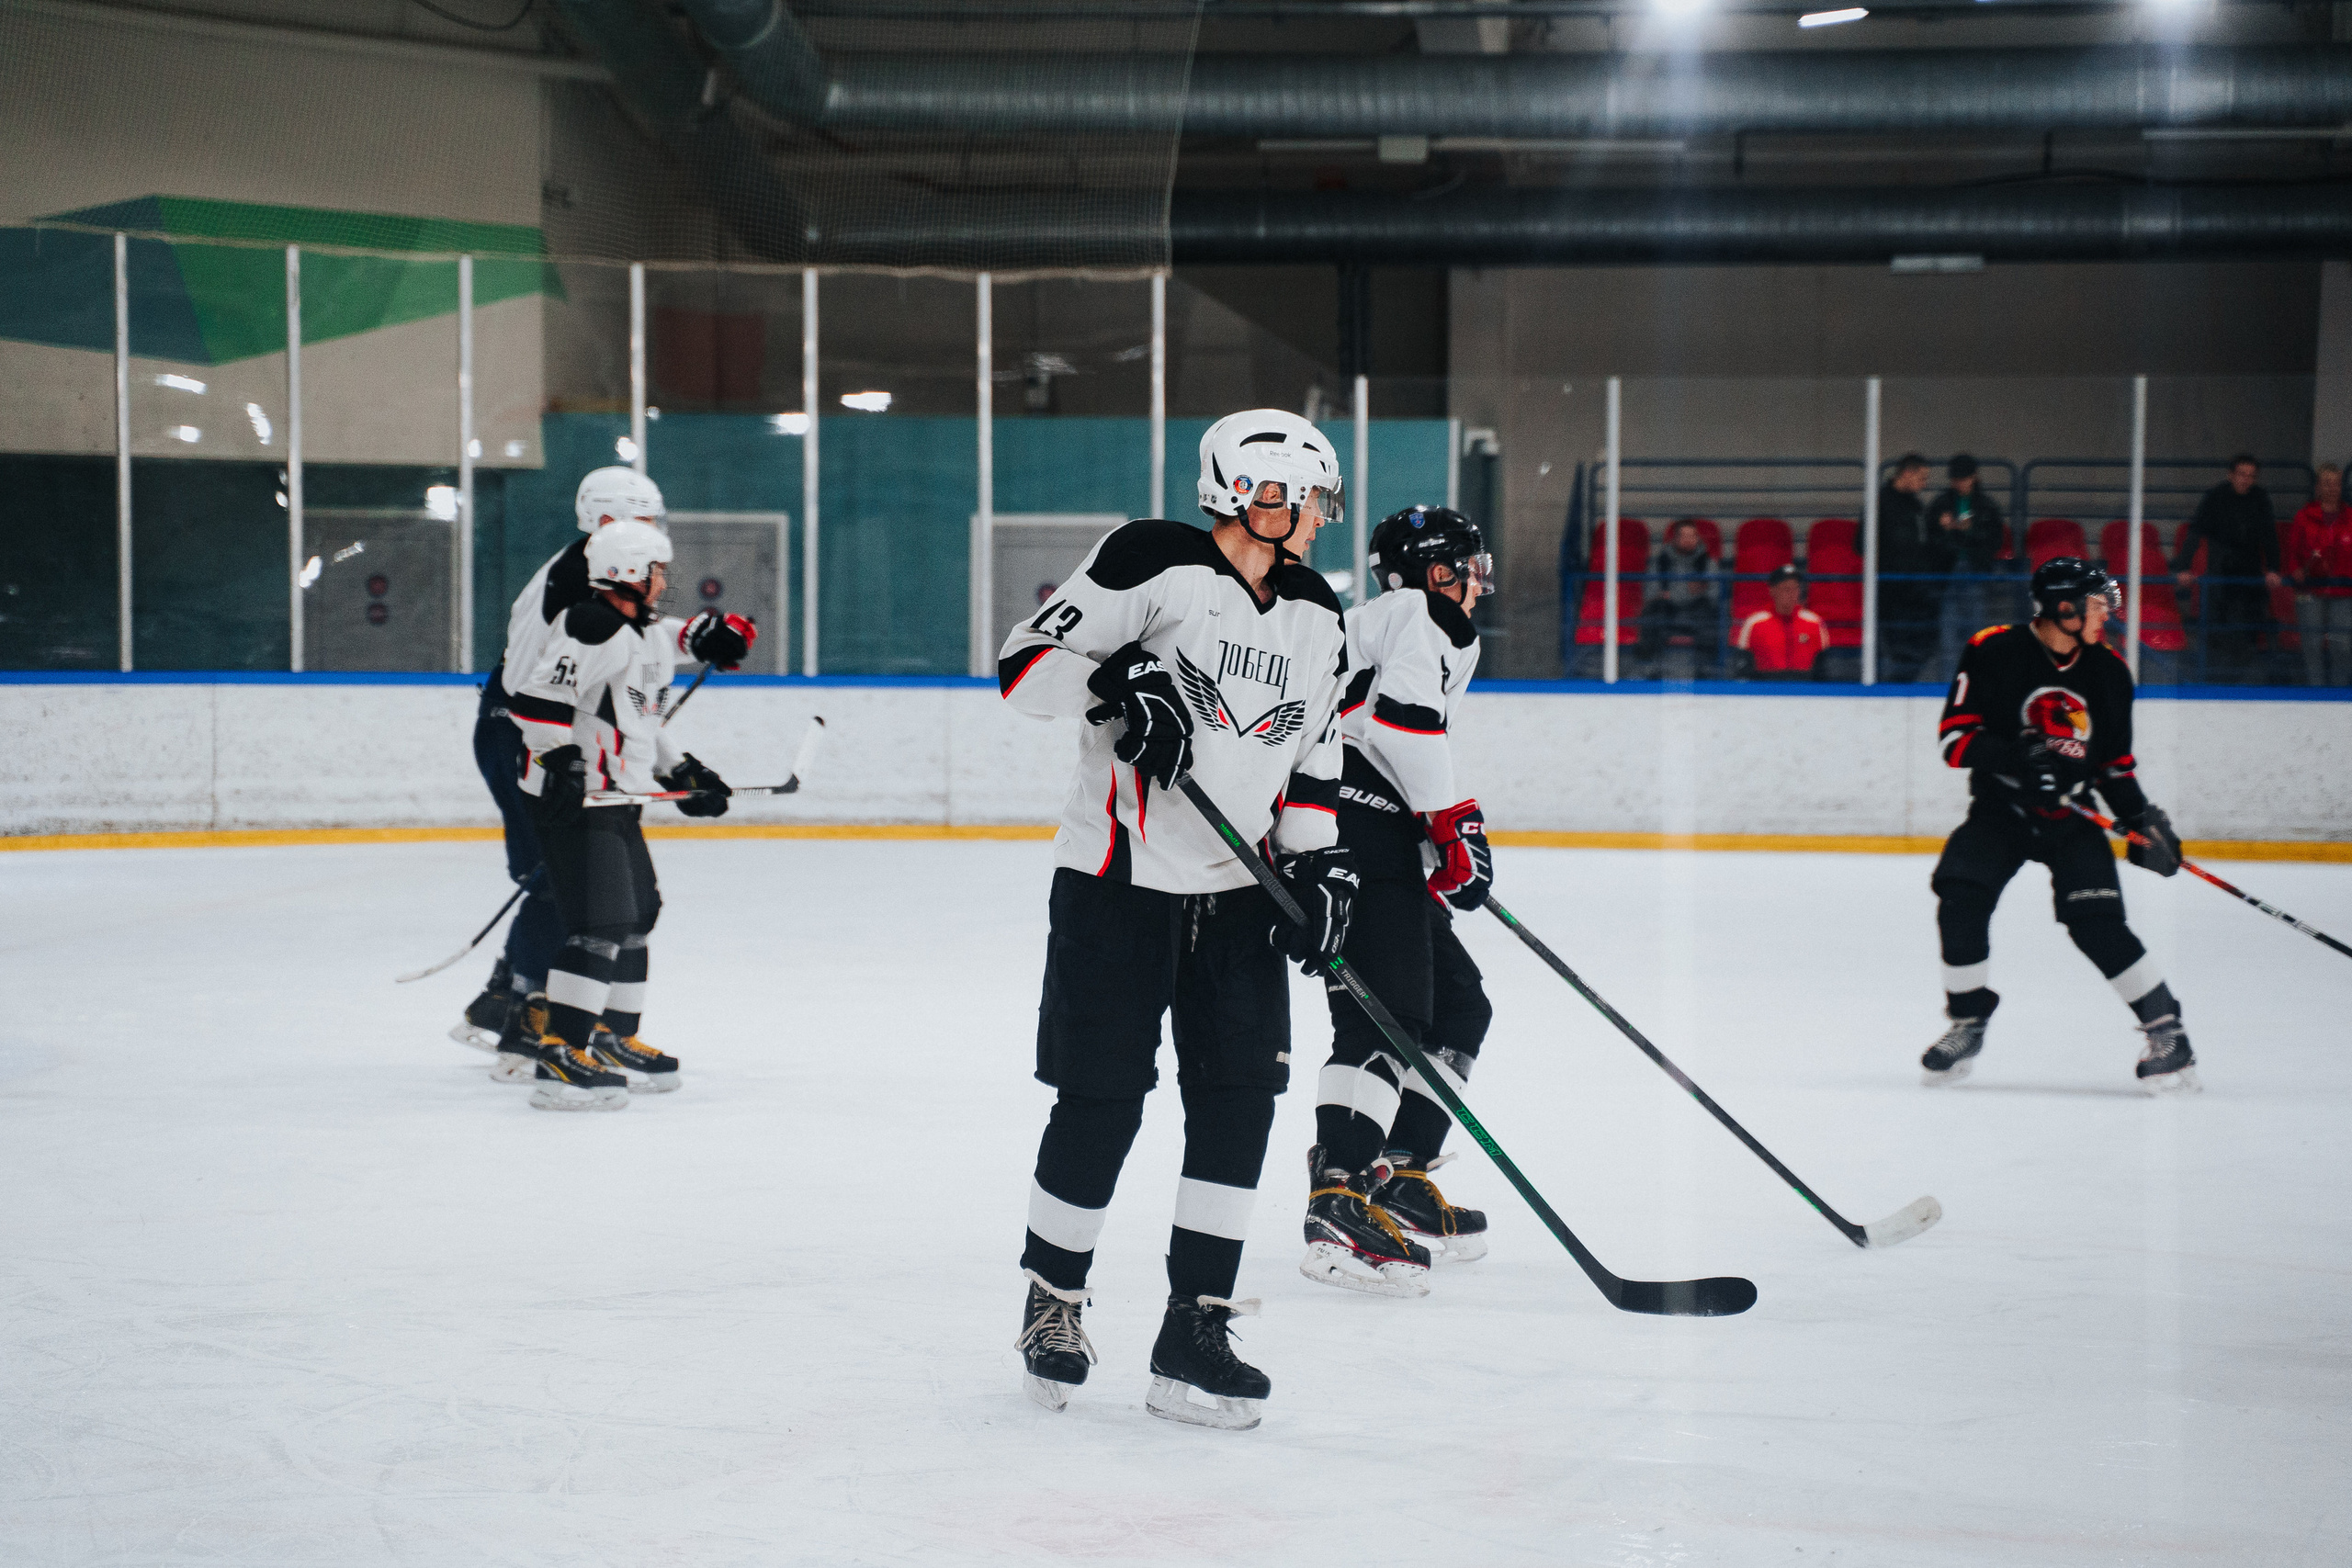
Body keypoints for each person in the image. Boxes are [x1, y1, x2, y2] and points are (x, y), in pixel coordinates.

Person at [998, 409, 1352, 1431]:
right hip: (1117, 883)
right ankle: (1052, 1302)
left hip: (1238, 900)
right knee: (1100, 1101)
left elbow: (1312, 761)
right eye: (1308, 498)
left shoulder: (1318, 614)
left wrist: (1319, 871)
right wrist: (1124, 679)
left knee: (1239, 1105)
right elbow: (1026, 675)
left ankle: (1194, 1328)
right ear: (1256, 493)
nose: (1320, 517)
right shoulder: (1153, 558)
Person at [460, 468, 753, 1085]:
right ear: (605, 530)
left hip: (567, 737)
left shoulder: (607, 583)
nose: (651, 540)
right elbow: (542, 695)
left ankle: (570, 1020)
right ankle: (524, 1015)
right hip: (521, 728)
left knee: (626, 903)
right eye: (638, 526)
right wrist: (561, 757)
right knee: (568, 886)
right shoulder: (579, 591)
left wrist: (676, 758)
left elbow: (629, 689)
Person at [1305, 505, 1496, 1301]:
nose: (1476, 581)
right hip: (1346, 826)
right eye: (1462, 567)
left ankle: (1398, 1173)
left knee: (1458, 1008)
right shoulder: (1414, 611)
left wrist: (1437, 836)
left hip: (1382, 827)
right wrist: (1454, 824)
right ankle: (1337, 1196)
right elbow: (1401, 727)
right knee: (1384, 1016)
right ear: (1426, 572)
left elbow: (1399, 740)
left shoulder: (1435, 625)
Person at [1920, 557, 2196, 1094]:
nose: (2106, 614)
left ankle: (2168, 1031)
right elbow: (1954, 741)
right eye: (2096, 604)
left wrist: (2138, 820)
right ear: (2063, 606)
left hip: (2071, 816)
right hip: (2001, 811)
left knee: (2096, 922)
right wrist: (2020, 759)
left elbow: (2115, 764)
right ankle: (1967, 1021)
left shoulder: (2109, 672)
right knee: (1960, 895)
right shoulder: (1993, 650)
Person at [2170, 455, 2282, 682]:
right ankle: (2215, 685)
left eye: (2251, 476)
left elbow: (2269, 536)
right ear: (2230, 475)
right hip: (2219, 576)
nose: (2246, 480)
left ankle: (2238, 686)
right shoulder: (2215, 497)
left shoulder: (2260, 499)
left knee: (2246, 634)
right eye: (2242, 475)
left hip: (2249, 578)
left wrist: (2273, 568)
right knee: (2217, 634)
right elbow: (2196, 532)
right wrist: (2183, 567)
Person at [1924, 454, 2007, 684]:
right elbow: (1930, 540)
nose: (1959, 484)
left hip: (1975, 572)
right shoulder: (1940, 504)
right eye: (1955, 479)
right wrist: (1948, 531)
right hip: (1947, 573)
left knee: (1976, 631)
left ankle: (1975, 684)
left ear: (1974, 478)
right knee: (1948, 632)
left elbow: (1995, 541)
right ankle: (1949, 685)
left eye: (1963, 478)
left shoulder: (1987, 507)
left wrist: (1967, 531)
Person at [1870, 455, 1939, 683]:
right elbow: (1863, 543)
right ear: (1907, 473)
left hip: (1917, 590)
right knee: (1898, 648)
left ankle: (1902, 685)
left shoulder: (1916, 505)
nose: (1924, 483)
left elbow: (1923, 543)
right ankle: (1894, 689)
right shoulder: (1880, 502)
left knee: (1928, 642)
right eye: (1922, 477)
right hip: (1892, 589)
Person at [2285, 462, 2352, 686]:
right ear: (2318, 487)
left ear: (2341, 487)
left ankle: (2339, 695)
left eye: (2336, 483)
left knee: (2341, 644)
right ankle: (2316, 693)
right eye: (2327, 483)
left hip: (2344, 590)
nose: (2332, 488)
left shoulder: (2351, 517)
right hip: (2310, 589)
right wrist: (2295, 569)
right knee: (2311, 644)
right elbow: (2292, 551)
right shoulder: (2304, 516)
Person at [1635, 518, 1719, 677]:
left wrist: (1672, 594)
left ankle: (1706, 672)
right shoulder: (1659, 562)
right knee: (1653, 612)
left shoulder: (1708, 563)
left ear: (1697, 539)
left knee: (1710, 612)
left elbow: (1714, 594)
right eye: (1683, 536)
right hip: (1666, 610)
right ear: (1675, 539)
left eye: (1692, 536)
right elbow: (1651, 593)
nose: (1688, 540)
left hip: (1697, 610)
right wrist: (1693, 591)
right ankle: (1649, 671)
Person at [1731, 564, 1832, 681]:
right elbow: (1742, 667)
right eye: (1786, 588)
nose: (1791, 594)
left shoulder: (1814, 623)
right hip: (1766, 690)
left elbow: (1823, 668)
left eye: (1795, 588)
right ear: (1772, 590)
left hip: (1804, 691)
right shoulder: (1755, 623)